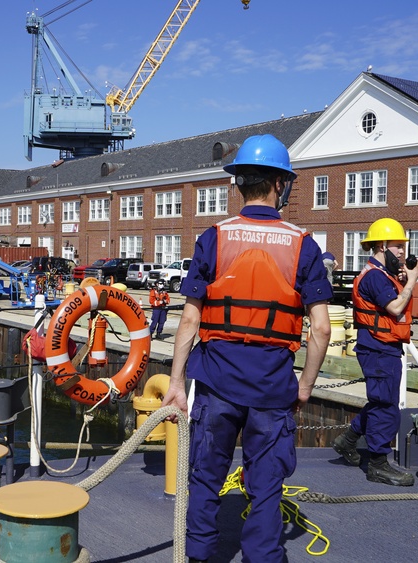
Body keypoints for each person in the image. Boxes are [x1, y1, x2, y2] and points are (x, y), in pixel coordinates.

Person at [160, 134, 332, 562]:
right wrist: (306, 386)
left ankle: (197, 556)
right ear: (280, 184)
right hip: (273, 387)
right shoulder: (303, 244)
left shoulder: (214, 238)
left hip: (216, 383)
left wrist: (177, 382)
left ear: (238, 184)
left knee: (204, 478)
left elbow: (189, 319)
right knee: (267, 485)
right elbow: (322, 330)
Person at [331, 217, 418, 487]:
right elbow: (394, 308)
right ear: (382, 246)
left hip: (383, 347)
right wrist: (412, 281)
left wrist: (403, 279)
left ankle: (347, 439)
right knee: (386, 406)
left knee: (380, 400)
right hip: (379, 349)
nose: (403, 252)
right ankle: (378, 464)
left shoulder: (383, 276)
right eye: (397, 246)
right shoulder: (375, 278)